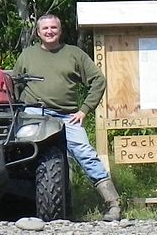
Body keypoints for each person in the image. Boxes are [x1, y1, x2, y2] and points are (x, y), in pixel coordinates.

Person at [14, 13, 122, 221]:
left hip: (67, 116)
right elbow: (15, 84)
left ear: (60, 30)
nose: (50, 31)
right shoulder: (27, 55)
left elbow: (98, 81)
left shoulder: (74, 54)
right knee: (23, 154)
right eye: (45, 28)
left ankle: (113, 204)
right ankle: (25, 205)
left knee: (85, 153)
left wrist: (84, 110)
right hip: (34, 113)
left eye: (53, 28)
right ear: (38, 32)